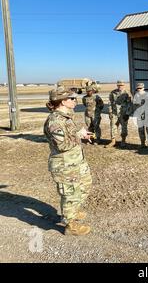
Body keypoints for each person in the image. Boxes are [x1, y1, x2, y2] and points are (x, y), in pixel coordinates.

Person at [43, 87, 93, 236]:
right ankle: (71, 225)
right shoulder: (54, 121)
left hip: (75, 162)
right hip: (64, 166)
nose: (75, 101)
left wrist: (80, 135)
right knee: (70, 194)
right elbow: (63, 145)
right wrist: (79, 135)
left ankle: (73, 211)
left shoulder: (66, 117)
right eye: (72, 98)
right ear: (62, 101)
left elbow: (70, 137)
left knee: (85, 185)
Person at [105, 80, 132, 148]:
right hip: (114, 113)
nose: (120, 86)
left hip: (123, 113)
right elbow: (110, 103)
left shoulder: (127, 93)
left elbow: (130, 104)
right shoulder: (113, 92)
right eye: (119, 85)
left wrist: (127, 114)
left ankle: (123, 141)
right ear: (117, 85)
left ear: (124, 85)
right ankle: (113, 141)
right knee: (113, 126)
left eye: (121, 85)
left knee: (124, 127)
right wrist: (110, 112)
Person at [133, 83, 148, 148]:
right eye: (138, 88)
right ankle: (142, 143)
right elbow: (134, 105)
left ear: (143, 88)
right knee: (140, 129)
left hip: (147, 114)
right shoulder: (136, 95)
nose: (139, 89)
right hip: (139, 115)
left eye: (140, 88)